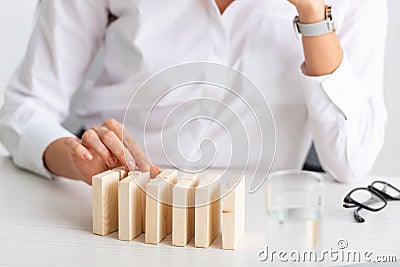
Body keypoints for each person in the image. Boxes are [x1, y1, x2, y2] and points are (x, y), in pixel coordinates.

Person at [0, 0, 388, 185]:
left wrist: (314, 14)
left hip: (261, 221)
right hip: (113, 206)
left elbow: (351, 163)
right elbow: (25, 106)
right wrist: (75, 161)